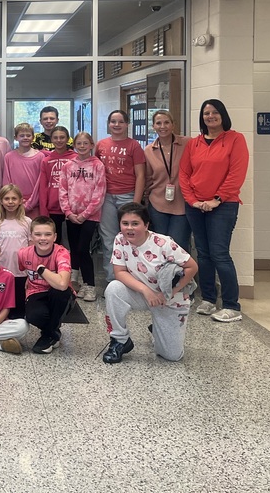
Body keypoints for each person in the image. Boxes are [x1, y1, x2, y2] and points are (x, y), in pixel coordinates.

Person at [180, 99, 249, 324]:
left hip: (223, 205)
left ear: (223, 114)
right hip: (196, 207)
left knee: (220, 253)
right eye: (206, 113)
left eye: (215, 112)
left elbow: (236, 174)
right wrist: (193, 201)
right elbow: (184, 174)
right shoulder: (194, 143)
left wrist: (217, 199)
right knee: (203, 253)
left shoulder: (235, 139)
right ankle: (208, 299)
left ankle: (231, 306)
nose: (210, 116)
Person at [102, 203, 198, 364]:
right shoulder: (120, 239)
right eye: (125, 223)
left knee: (172, 356)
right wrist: (145, 291)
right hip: (143, 294)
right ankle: (120, 340)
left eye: (135, 223)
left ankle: (157, 329)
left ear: (146, 225)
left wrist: (170, 293)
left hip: (167, 298)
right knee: (113, 289)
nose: (129, 228)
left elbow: (192, 267)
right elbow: (119, 272)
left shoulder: (164, 243)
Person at [96, 110, 146, 284]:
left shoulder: (134, 146)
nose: (116, 125)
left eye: (120, 122)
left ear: (127, 124)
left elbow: (141, 175)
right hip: (106, 197)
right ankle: (112, 280)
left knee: (131, 238)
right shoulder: (101, 145)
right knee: (109, 239)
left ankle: (133, 280)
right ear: (108, 124)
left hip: (128, 196)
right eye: (113, 121)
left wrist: (136, 204)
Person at [59, 131, 106, 302]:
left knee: (83, 249)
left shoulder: (97, 165)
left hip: (90, 216)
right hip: (71, 215)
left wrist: (85, 214)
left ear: (92, 145)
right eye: (79, 143)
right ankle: (75, 282)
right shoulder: (67, 166)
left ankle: (90, 285)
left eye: (86, 143)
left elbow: (99, 192)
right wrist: (68, 213)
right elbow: (62, 190)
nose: (82, 146)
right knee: (74, 250)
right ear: (74, 145)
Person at [18, 216, 74, 354]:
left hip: (59, 294)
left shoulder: (62, 253)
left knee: (60, 292)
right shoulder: (23, 253)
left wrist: (42, 270)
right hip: (35, 291)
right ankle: (53, 333)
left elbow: (62, 284)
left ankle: (47, 336)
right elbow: (23, 270)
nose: (43, 238)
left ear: (55, 237)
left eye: (48, 234)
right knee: (33, 315)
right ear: (31, 236)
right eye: (38, 234)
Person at [144, 110, 191, 249]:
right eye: (158, 123)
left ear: (173, 125)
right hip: (157, 204)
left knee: (178, 246)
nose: (162, 126)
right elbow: (148, 178)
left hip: (183, 204)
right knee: (160, 246)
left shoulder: (188, 143)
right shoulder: (149, 150)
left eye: (166, 122)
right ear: (153, 126)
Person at [0, 184, 31, 317]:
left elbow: (31, 249)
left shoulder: (27, 222)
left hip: (21, 273)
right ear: (1, 201)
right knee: (2, 305)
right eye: (7, 198)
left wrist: (30, 273)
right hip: (1, 271)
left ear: (20, 201)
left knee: (19, 308)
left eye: (14, 198)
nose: (10, 202)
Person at [36, 126, 73, 243]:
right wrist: (43, 211)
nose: (59, 140)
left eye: (62, 137)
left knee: (73, 244)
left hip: (72, 208)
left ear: (68, 139)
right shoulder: (46, 161)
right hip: (53, 209)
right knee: (54, 243)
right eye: (55, 138)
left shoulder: (76, 158)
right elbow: (43, 187)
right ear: (51, 139)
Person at [2, 122, 45, 218]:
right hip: (14, 205)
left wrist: (30, 204)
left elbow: (40, 184)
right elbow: (6, 182)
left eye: (28, 135)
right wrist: (13, 201)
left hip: (34, 204)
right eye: (22, 135)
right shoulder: (9, 157)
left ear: (33, 137)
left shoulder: (40, 157)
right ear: (15, 137)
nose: (25, 138)